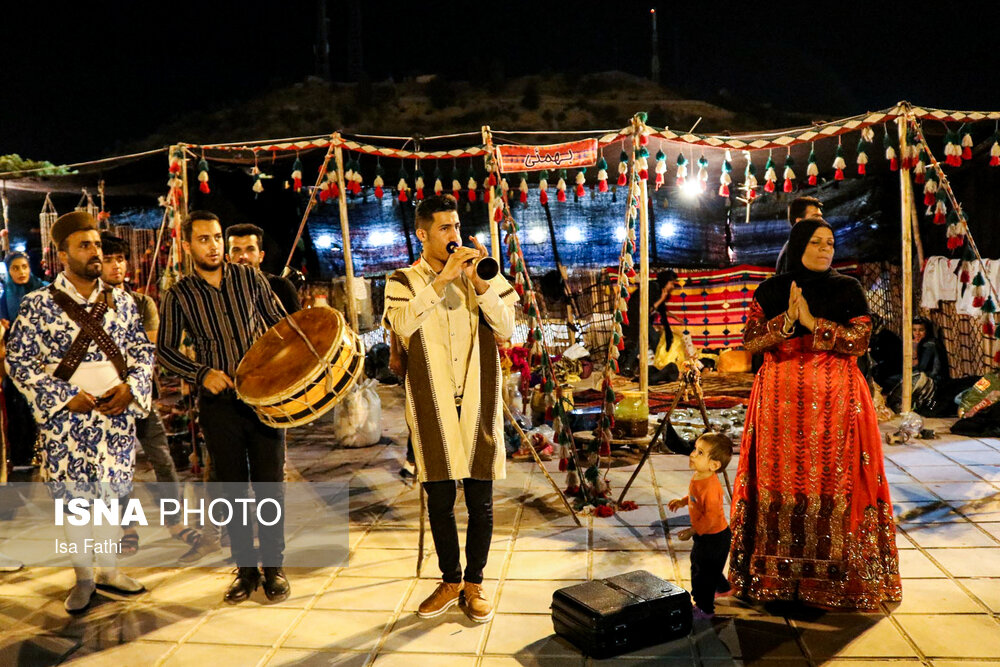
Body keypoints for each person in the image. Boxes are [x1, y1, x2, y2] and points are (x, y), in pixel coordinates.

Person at [729, 217, 901, 610]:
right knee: (779, 484)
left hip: (836, 405)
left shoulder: (848, 288)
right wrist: (788, 320)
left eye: (831, 243)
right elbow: (752, 340)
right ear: (799, 245)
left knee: (836, 484)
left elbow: (859, 341)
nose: (826, 250)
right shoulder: (772, 289)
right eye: (817, 243)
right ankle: (774, 578)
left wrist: (812, 323)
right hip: (779, 406)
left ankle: (838, 581)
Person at [4, 211, 155, 612]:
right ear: (61, 254)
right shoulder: (37, 305)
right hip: (66, 421)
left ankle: (108, 571)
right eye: (84, 245)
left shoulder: (121, 301)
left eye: (97, 245)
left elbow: (142, 353)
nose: (95, 252)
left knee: (109, 497)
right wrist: (61, 396)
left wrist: (131, 388)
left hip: (115, 416)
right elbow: (17, 361)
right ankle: (84, 577)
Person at [382, 195, 517, 623]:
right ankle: (450, 579)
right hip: (431, 403)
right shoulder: (402, 280)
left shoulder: (482, 272)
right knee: (440, 499)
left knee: (481, 500)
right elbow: (402, 327)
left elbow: (508, 328)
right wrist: (441, 282)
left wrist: (479, 284)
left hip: (479, 398)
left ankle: (475, 582)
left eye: (456, 226)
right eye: (444, 228)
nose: (454, 235)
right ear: (422, 234)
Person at [157, 211, 289, 604]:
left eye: (217, 238)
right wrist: (201, 373)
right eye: (204, 239)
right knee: (232, 489)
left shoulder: (249, 277)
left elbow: (280, 325)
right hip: (219, 405)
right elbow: (164, 349)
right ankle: (245, 571)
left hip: (264, 399)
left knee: (269, 485)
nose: (213, 246)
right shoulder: (179, 294)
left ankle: (274, 569)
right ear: (187, 246)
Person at [100, 233, 202, 557]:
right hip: (104, 399)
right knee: (118, 467)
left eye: (120, 259)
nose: (117, 265)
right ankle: (127, 528)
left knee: (162, 459)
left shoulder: (142, 303)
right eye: (109, 259)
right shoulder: (88, 307)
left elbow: (151, 345)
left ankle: (175, 522)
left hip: (139, 395)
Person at [667, 432, 734, 620]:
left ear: (714, 465)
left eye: (700, 452)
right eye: (695, 449)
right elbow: (697, 499)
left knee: (700, 572)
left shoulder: (710, 487)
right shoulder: (700, 476)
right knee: (709, 567)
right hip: (710, 535)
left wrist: (692, 531)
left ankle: (704, 608)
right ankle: (723, 588)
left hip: (713, 537)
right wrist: (683, 501)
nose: (693, 454)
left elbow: (711, 516)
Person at [1, 251, 47, 467]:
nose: (21, 272)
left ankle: (44, 453)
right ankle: (23, 456)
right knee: (18, 407)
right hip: (17, 362)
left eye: (24, 267)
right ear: (9, 272)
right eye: (15, 268)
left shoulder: (45, 291)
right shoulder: (5, 298)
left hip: (46, 360)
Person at [225, 223, 301, 315]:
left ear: (261, 256)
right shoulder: (220, 292)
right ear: (228, 258)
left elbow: (299, 326)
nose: (243, 256)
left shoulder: (281, 287)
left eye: (250, 249)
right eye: (236, 250)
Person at [620, 269, 680, 382]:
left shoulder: (659, 289)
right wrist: (662, 298)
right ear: (666, 281)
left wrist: (675, 317)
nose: (673, 286)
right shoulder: (653, 288)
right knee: (642, 340)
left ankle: (654, 366)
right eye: (672, 283)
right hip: (634, 318)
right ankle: (627, 367)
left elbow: (658, 309)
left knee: (654, 338)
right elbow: (648, 309)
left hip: (641, 318)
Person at [775, 196, 824, 275]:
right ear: (799, 222)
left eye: (821, 216)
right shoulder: (794, 250)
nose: (821, 221)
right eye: (816, 216)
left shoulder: (802, 246)